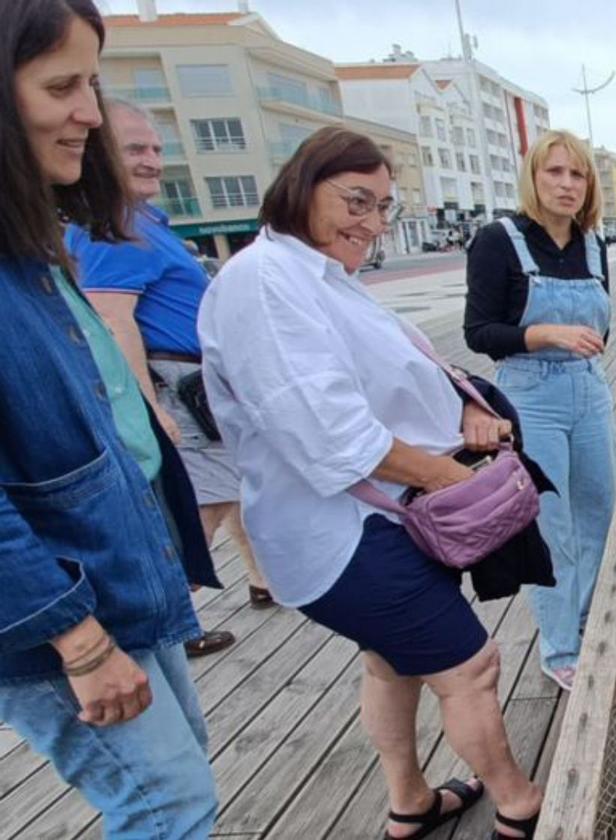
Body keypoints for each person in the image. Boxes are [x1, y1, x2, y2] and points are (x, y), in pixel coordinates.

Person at [199, 127, 543, 840]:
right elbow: (334, 435)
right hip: (340, 531)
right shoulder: (265, 282)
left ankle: (409, 802)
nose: (373, 223)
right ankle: (519, 804)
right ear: (301, 185)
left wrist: (466, 407)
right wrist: (455, 481)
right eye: (357, 201)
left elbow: (395, 377)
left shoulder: (317, 274)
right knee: (471, 667)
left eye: (383, 207)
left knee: (393, 663)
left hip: (382, 519)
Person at [0, 0, 219, 835]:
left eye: (91, 82)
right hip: (62, 601)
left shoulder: (32, 243)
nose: (89, 113)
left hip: (113, 567)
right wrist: (78, 642)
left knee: (181, 769)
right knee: (166, 802)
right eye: (61, 86)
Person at [66, 97, 272, 628]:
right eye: (135, 149)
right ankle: (173, 618)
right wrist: (150, 407)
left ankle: (263, 582)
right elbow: (113, 321)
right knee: (201, 501)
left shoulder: (139, 221)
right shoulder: (114, 227)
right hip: (173, 385)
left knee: (227, 485)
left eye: (157, 148)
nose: (152, 160)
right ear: (99, 153)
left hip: (191, 381)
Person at [464, 129, 616, 691]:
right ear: (533, 176)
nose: (567, 184)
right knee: (551, 529)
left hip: (589, 391)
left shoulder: (594, 244)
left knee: (599, 517)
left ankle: (592, 624)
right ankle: (561, 648)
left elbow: (604, 327)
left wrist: (577, 348)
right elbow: (479, 332)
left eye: (577, 175)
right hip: (532, 396)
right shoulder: (498, 240)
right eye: (555, 172)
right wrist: (543, 333)